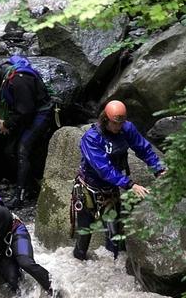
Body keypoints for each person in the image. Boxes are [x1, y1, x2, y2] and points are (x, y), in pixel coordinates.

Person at [71, 100, 165, 261]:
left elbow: (143, 149)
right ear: (105, 119)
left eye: (121, 123)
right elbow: (104, 169)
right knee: (84, 235)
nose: (118, 127)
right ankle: (79, 263)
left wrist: (159, 169)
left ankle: (114, 269)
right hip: (88, 189)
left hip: (110, 190)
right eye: (115, 123)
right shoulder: (91, 138)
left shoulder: (127, 128)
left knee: (115, 238)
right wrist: (130, 184)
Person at [0, 55, 54, 208]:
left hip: (40, 112)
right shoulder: (2, 77)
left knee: (22, 150)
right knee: (9, 150)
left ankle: (20, 196)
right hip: (26, 112)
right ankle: (30, 186)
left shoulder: (18, 81)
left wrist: (7, 124)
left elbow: (26, 112)